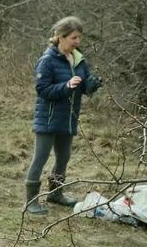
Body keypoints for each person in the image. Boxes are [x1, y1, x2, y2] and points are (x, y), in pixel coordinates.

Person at [24, 15, 103, 216]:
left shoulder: (79, 60)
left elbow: (84, 88)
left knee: (63, 158)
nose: (78, 42)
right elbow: (42, 90)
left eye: (79, 38)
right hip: (48, 119)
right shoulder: (47, 61)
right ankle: (31, 202)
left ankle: (55, 194)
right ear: (60, 37)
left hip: (68, 118)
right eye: (74, 38)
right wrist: (66, 86)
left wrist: (92, 85)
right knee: (39, 159)